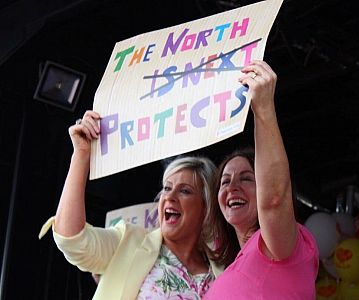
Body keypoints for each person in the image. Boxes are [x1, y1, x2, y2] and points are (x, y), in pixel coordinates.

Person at [39, 110, 222, 299]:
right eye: (167, 188)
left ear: (206, 207)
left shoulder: (221, 270)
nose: (170, 197)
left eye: (185, 191)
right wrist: (81, 154)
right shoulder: (128, 242)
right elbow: (72, 238)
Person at [204, 60, 319, 299]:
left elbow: (275, 200)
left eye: (246, 178)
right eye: (224, 181)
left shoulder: (283, 247)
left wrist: (263, 109)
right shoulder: (228, 271)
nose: (232, 187)